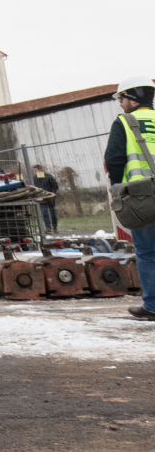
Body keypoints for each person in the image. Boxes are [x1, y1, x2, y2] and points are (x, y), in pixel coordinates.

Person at [103, 77, 155, 324]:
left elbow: (114, 158)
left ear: (132, 98)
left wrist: (117, 188)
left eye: (122, 99)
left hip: (142, 197)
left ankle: (153, 306)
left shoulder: (124, 122)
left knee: (147, 252)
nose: (121, 104)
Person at [30, 164, 60, 232]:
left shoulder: (48, 176)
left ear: (39, 170)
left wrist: (52, 194)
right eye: (34, 170)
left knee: (52, 212)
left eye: (35, 170)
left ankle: (54, 227)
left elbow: (55, 186)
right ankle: (48, 227)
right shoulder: (34, 178)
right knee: (44, 212)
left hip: (50, 197)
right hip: (41, 198)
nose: (34, 172)